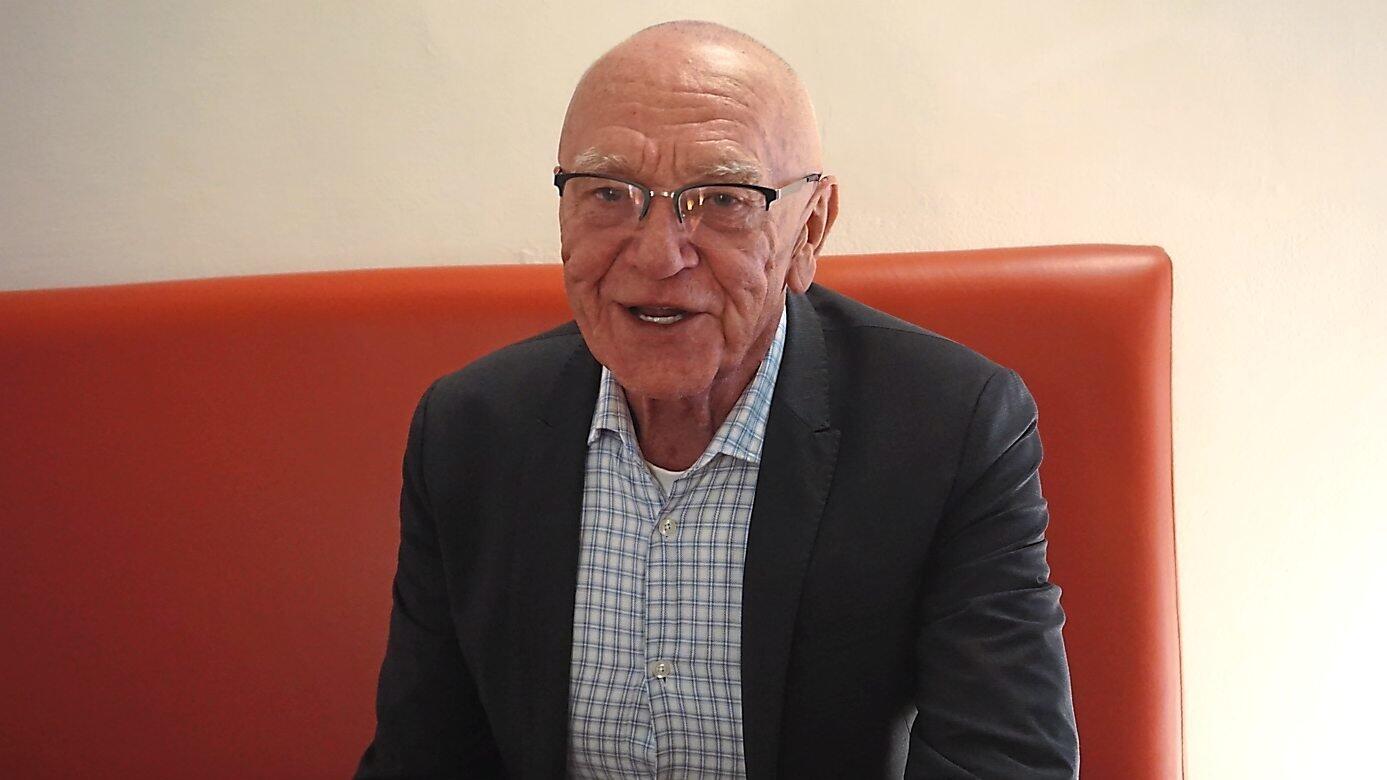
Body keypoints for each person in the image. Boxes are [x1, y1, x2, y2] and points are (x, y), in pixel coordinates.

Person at [355, 20, 1078, 779]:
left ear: (809, 230)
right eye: (608, 192)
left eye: (724, 199)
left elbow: (1005, 762)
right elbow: (423, 757)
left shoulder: (948, 426)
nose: (657, 255)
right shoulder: (468, 430)